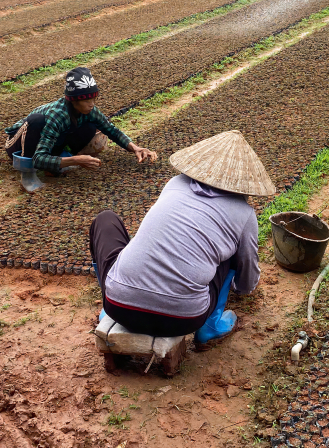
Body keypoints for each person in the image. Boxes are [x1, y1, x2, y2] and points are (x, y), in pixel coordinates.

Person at [89, 129, 275, 345]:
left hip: (119, 306)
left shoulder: (175, 184)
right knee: (232, 252)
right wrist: (243, 289)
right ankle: (210, 326)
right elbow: (247, 265)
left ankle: (107, 312)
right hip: (183, 319)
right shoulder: (245, 214)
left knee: (105, 219)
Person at [4, 66, 157, 179]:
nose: (92, 104)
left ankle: (57, 162)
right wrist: (76, 160)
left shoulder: (90, 110)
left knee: (90, 127)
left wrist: (135, 148)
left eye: (94, 99)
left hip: (49, 140)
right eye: (87, 100)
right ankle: (28, 171)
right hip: (19, 143)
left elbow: (111, 130)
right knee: (36, 121)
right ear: (73, 100)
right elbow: (38, 158)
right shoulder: (57, 115)